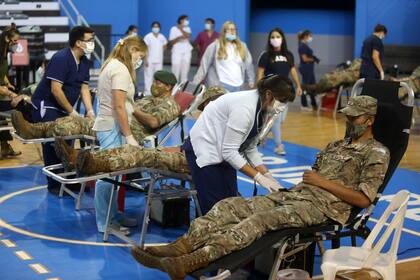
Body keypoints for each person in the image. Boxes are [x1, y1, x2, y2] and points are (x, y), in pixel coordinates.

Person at [131, 95, 390, 280]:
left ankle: (189, 262)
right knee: (230, 206)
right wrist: (288, 186)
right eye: (347, 117)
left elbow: (364, 200)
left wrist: (320, 182)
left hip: (325, 208)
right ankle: (180, 247)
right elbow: (312, 177)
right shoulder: (335, 146)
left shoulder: (377, 152)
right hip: (298, 196)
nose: (348, 121)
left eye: (354, 117)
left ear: (368, 121)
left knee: (260, 221)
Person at [52, 86, 227, 177]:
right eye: (207, 103)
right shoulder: (209, 121)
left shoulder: (228, 124)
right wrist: (171, 149)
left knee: (143, 156)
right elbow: (188, 145)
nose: (209, 106)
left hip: (197, 164)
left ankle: (93, 165)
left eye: (214, 101)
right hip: (187, 156)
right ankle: (79, 159)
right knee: (133, 151)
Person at [184, 75, 294, 214]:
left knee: (230, 203)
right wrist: (259, 178)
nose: (283, 106)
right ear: (268, 94)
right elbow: (229, 152)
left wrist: (267, 175)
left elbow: (250, 147)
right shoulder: (245, 108)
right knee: (216, 211)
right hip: (205, 150)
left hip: (223, 151)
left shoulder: (263, 108)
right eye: (282, 101)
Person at [12, 70, 181, 146]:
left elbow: (153, 122)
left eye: (158, 83)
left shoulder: (170, 105)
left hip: (125, 133)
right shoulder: (149, 98)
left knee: (75, 124)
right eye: (154, 81)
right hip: (114, 124)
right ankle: (33, 129)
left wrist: (132, 109)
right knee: (76, 121)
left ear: (168, 87)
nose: (154, 85)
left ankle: (32, 131)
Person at [91, 35, 147, 233]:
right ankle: (105, 221)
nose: (140, 61)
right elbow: (118, 106)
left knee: (115, 175)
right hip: (112, 126)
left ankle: (113, 215)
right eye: (140, 56)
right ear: (132, 51)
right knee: (107, 175)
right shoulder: (121, 69)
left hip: (110, 125)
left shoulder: (113, 64)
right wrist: (129, 135)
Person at [30, 25, 95, 194]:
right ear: (78, 42)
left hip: (64, 107)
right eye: (89, 40)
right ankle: (54, 184)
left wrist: (90, 111)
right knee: (55, 141)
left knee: (70, 140)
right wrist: (73, 112)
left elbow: (84, 88)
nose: (92, 43)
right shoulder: (61, 58)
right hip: (47, 104)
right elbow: (56, 90)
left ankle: (68, 179)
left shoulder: (85, 62)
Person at [257, 28, 303, 155]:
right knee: (276, 119)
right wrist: (259, 87)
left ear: (282, 38)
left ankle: (263, 135)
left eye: (277, 36)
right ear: (269, 40)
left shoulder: (288, 55)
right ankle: (279, 145)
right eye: (273, 37)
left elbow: (293, 71)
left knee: (279, 119)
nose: (275, 39)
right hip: (271, 91)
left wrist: (298, 85)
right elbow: (260, 72)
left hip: (285, 91)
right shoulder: (266, 55)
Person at [193, 21, 255, 91]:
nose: (232, 32)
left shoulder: (242, 46)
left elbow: (249, 65)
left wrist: (251, 80)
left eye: (234, 29)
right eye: (229, 29)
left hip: (238, 85)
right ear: (224, 32)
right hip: (221, 85)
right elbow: (203, 67)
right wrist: (193, 86)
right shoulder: (215, 46)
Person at [0, 25, 22, 159]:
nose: (16, 44)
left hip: (2, 90)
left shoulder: (4, 52)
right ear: (7, 38)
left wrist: (7, 83)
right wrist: (9, 93)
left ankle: (5, 147)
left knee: (2, 120)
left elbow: (1, 73)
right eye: (14, 41)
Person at [143, 22, 167, 96]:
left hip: (159, 60)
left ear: (159, 28)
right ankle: (147, 93)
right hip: (149, 60)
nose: (155, 28)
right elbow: (145, 48)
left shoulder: (162, 37)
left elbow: (165, 44)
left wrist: (161, 51)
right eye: (154, 27)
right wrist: (145, 59)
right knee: (148, 76)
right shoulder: (148, 36)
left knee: (158, 77)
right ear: (151, 27)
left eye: (157, 27)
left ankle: (157, 92)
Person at [298, 29, 319, 111]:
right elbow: (304, 59)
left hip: (310, 69)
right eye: (310, 36)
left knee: (312, 87)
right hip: (306, 69)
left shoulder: (305, 46)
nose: (311, 38)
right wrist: (313, 59)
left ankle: (314, 105)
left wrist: (314, 58)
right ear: (305, 36)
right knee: (305, 87)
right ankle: (304, 105)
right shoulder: (302, 46)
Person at [169, 15, 193, 83]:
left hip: (186, 50)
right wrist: (178, 38)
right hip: (176, 51)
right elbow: (171, 42)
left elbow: (188, 36)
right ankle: (174, 87)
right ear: (181, 20)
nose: (187, 21)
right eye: (186, 19)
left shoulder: (188, 28)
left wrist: (181, 29)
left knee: (185, 70)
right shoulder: (173, 29)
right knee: (175, 68)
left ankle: (183, 88)